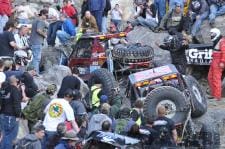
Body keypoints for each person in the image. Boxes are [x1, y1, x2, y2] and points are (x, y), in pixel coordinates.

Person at [0, 75, 22, 149]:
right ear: (16, 81)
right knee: (10, 137)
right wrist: (18, 115)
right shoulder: (15, 90)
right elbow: (16, 103)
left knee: (3, 135)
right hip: (11, 116)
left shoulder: (4, 89)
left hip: (3, 115)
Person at [208, 28, 225, 100]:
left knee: (216, 78)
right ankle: (213, 94)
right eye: (211, 33)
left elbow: (224, 52)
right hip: (214, 60)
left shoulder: (222, 41)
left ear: (217, 34)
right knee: (210, 77)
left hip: (218, 61)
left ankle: (217, 96)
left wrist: (222, 62)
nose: (211, 35)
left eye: (213, 34)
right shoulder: (217, 40)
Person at [30, 9, 48, 74]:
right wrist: (45, 35)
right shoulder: (41, 21)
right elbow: (39, 30)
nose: (46, 17)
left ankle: (32, 72)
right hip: (37, 42)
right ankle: (36, 73)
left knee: (34, 58)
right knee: (37, 59)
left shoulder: (35, 20)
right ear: (42, 14)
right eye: (46, 15)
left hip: (33, 41)